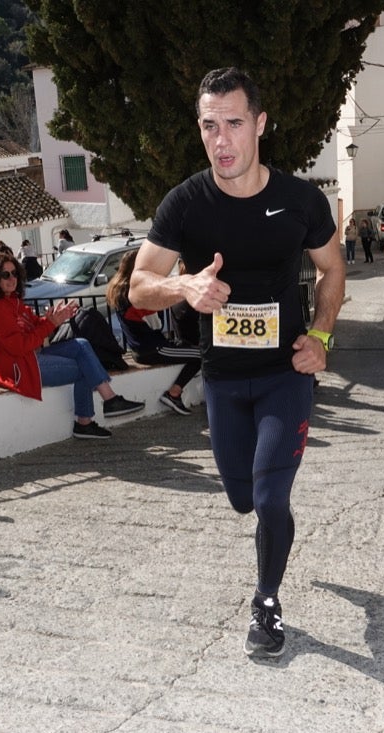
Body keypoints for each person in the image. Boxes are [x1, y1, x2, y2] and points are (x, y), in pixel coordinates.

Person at [129, 67, 345, 659]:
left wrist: (322, 335)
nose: (220, 139)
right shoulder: (187, 203)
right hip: (222, 381)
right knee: (243, 499)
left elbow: (333, 269)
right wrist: (185, 288)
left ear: (260, 124)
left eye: (233, 123)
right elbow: (138, 287)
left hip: (285, 375)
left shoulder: (301, 201)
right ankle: (269, 538)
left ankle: (267, 604)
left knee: (272, 500)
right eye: (208, 126)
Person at [0, 254, 145, 438]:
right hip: (17, 367)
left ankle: (106, 404)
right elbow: (19, 346)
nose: (12, 278)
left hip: (29, 356)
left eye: (14, 273)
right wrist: (51, 323)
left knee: (81, 345)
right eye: (5, 275)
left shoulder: (12, 301)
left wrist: (53, 318)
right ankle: (88, 419)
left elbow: (35, 325)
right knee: (84, 367)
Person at [106, 250, 201, 415]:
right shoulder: (137, 296)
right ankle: (174, 393)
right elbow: (156, 324)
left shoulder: (120, 292)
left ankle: (174, 393)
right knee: (201, 354)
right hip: (153, 348)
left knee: (191, 350)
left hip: (138, 349)